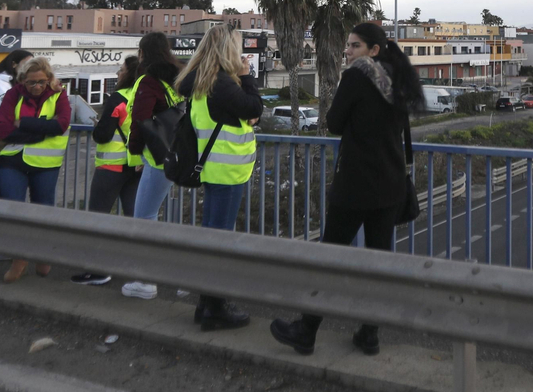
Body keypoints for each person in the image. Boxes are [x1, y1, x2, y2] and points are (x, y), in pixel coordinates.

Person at [272, 21, 421, 356]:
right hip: (391, 183)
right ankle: (369, 334)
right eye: (348, 45)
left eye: (354, 46)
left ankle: (307, 330)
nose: (347, 51)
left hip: (356, 183)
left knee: (330, 257)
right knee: (378, 259)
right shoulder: (398, 78)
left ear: (373, 50)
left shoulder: (357, 76)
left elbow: (335, 123)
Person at [175, 25, 264, 330]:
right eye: (238, 47)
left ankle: (205, 304)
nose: (241, 54)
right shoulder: (222, 84)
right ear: (229, 49)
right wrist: (248, 76)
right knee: (221, 240)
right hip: (228, 171)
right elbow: (254, 108)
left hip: (211, 168)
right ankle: (216, 307)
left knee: (211, 235)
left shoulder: (198, 81)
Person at [0, 56, 72, 283]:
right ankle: (19, 258)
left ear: (48, 79)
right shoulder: (12, 94)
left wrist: (24, 124)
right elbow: (3, 129)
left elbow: (61, 124)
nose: (36, 87)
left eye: (41, 82)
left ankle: (42, 255)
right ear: (22, 80)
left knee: (43, 211)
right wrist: (42, 131)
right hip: (12, 160)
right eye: (31, 83)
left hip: (46, 164)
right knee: (12, 210)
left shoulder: (58, 94)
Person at [121, 31, 182, 300]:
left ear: (143, 54)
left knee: (143, 217)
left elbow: (140, 120)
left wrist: (134, 150)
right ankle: (180, 278)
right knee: (159, 215)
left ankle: (145, 282)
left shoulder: (148, 81)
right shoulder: (177, 78)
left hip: (157, 157)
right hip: (176, 153)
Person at [72, 57, 142, 287]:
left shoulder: (118, 99)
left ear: (129, 73)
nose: (118, 73)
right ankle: (139, 270)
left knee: (97, 217)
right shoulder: (143, 97)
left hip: (112, 167)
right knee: (135, 219)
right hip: (136, 166)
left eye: (121, 70)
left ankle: (98, 271)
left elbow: (102, 135)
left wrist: (97, 125)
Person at [0, 49, 34, 135]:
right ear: (14, 64)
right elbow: (10, 112)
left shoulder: (19, 84)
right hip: (2, 137)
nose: (30, 69)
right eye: (27, 64)